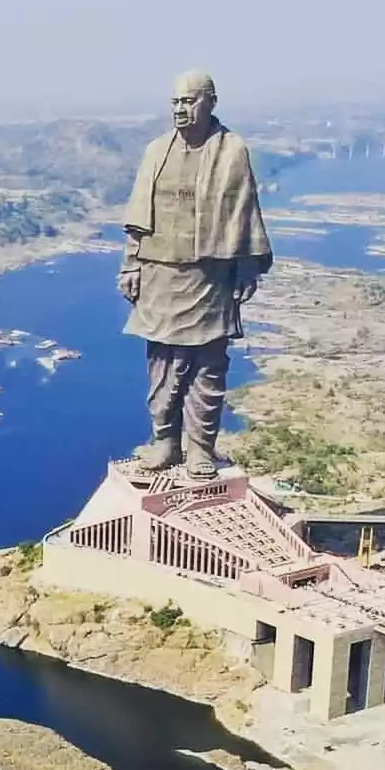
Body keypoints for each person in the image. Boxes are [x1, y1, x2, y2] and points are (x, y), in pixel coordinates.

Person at [119, 70, 272, 478]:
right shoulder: (156, 151)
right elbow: (138, 217)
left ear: (211, 102)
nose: (181, 109)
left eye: (189, 101)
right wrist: (131, 263)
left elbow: (243, 211)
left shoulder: (232, 150)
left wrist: (244, 268)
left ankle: (201, 446)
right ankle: (165, 440)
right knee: (162, 363)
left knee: (207, 366)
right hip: (159, 273)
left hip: (210, 276)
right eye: (176, 103)